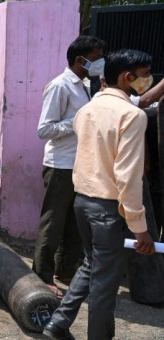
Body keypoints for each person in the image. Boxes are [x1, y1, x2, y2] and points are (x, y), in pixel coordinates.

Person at [43, 49, 156, 340]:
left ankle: (60, 322)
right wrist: (140, 228)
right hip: (108, 209)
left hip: (83, 201)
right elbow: (129, 176)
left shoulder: (88, 109)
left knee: (92, 265)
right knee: (104, 284)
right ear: (127, 77)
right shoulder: (132, 116)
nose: (148, 80)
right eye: (145, 73)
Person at [33, 36, 105, 297]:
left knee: (75, 221)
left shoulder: (84, 85)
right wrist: (78, 120)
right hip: (61, 165)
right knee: (53, 221)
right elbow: (45, 129)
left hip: (80, 164)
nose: (100, 63)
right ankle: (41, 274)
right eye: (96, 58)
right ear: (80, 60)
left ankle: (65, 270)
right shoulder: (60, 86)